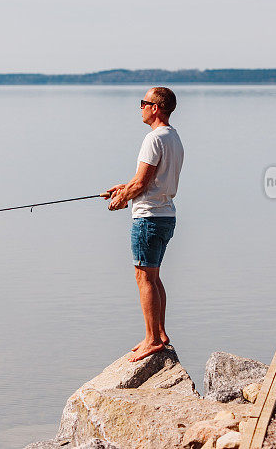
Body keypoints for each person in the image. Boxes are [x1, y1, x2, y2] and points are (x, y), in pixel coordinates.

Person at [105, 86, 184, 362]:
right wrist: (123, 188)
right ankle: (159, 334)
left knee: (144, 277)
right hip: (165, 216)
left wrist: (121, 199)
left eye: (144, 102)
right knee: (153, 276)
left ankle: (152, 339)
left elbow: (142, 183)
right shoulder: (173, 138)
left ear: (156, 107)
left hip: (148, 217)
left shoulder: (153, 139)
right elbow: (150, 180)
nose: (140, 107)